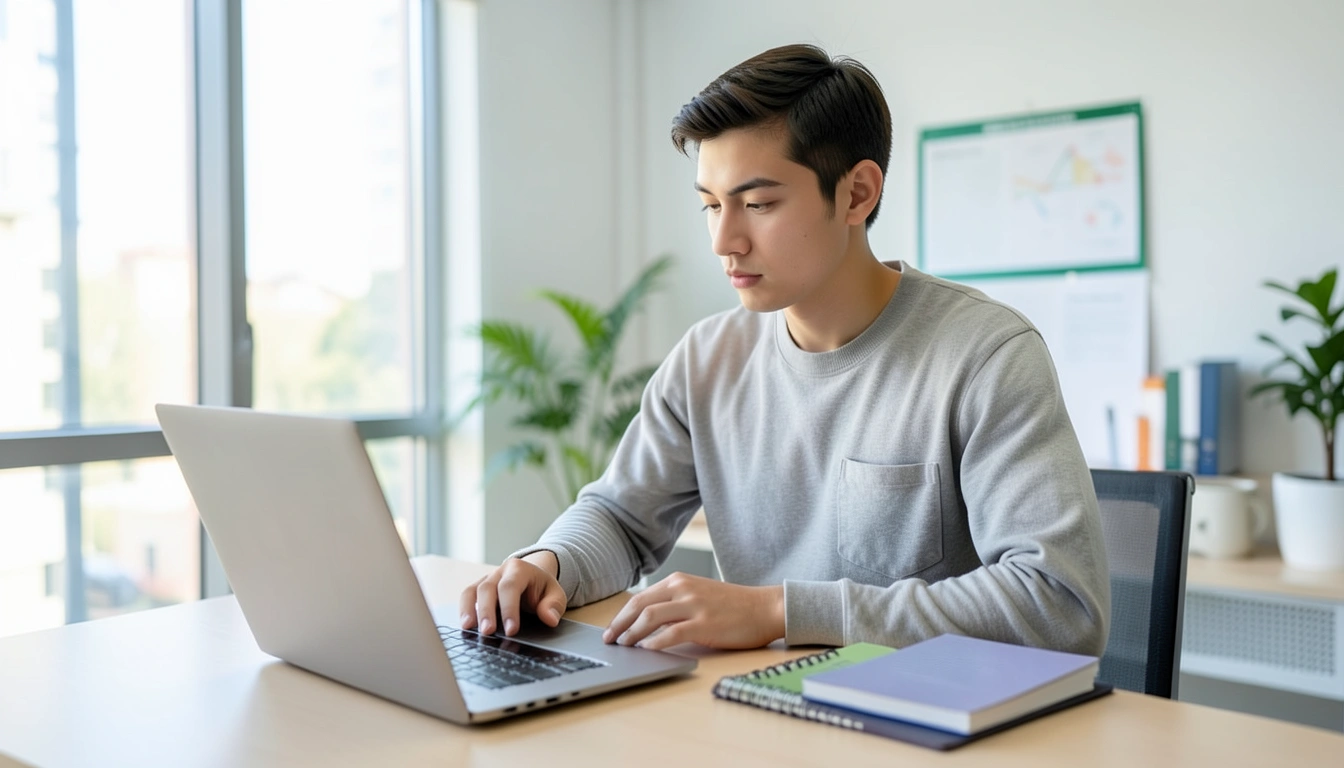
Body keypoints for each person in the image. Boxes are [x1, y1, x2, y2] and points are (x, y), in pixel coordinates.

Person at [459, 43, 1110, 655]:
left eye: (758, 203)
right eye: (711, 205)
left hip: (925, 724)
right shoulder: (706, 360)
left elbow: (1059, 603)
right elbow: (620, 517)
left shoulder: (985, 356)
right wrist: (550, 563)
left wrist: (780, 612)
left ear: (857, 193)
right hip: (756, 711)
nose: (724, 241)